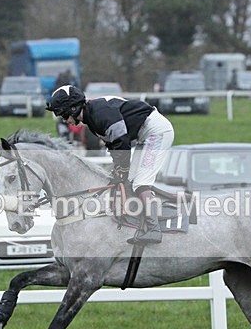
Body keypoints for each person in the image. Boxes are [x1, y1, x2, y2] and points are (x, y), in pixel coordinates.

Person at [46, 84, 174, 245]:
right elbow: (114, 146)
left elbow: (122, 142)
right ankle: (139, 221)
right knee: (131, 180)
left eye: (64, 114)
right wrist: (119, 170)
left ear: (73, 108)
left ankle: (154, 230)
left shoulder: (99, 114)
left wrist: (122, 169)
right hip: (145, 134)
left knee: (141, 183)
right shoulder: (91, 118)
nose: (65, 120)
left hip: (156, 132)